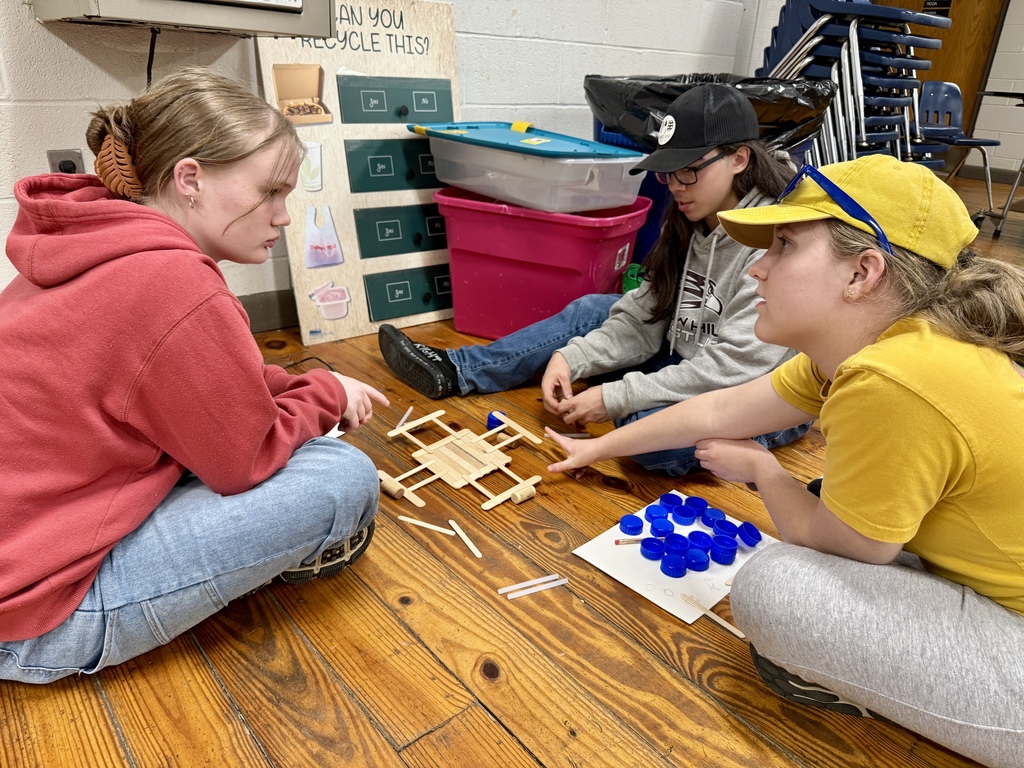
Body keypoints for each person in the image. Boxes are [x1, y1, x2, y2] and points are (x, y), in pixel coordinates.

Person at [547, 154, 1024, 767]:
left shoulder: (894, 379)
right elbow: (718, 412)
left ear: (862, 273)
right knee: (833, 499)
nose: (758, 272)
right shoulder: (879, 348)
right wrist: (599, 446)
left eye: (785, 247)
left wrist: (764, 472)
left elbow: (856, 549)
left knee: (774, 587)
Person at [0, 67, 388, 684]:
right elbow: (247, 458)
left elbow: (197, 380)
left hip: (22, 547)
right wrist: (328, 393)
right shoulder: (174, 283)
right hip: (35, 613)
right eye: (271, 193)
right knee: (342, 477)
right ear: (190, 179)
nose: (284, 216)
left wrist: (295, 388)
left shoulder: (93, 243)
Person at [380, 83, 808, 476]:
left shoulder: (772, 241)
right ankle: (458, 371)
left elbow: (733, 369)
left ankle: (761, 436)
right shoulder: (689, 216)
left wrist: (618, 395)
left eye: (689, 170)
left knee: (651, 445)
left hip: (749, 388)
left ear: (739, 158)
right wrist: (574, 358)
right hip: (682, 356)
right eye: (667, 172)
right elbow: (645, 315)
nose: (676, 186)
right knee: (594, 312)